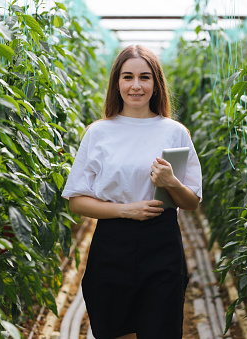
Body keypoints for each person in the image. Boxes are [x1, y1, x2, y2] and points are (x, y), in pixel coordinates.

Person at [61, 45, 202, 339]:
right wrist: (126, 210)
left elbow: (191, 203)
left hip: (162, 242)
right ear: (117, 83)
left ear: (156, 84)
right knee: (114, 329)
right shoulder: (99, 132)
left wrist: (171, 182)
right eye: (128, 77)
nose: (136, 86)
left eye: (144, 77)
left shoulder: (175, 131)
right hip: (112, 241)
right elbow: (76, 200)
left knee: (160, 328)